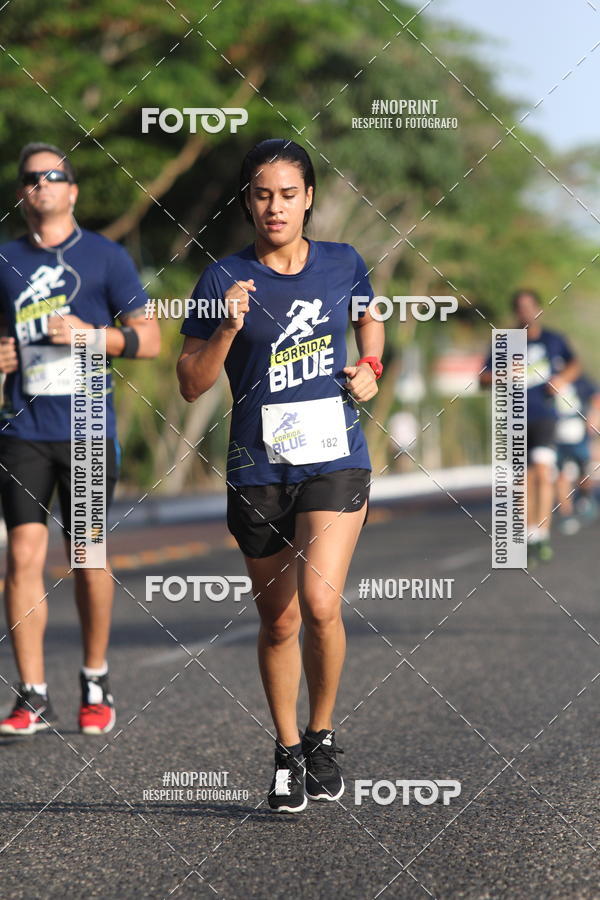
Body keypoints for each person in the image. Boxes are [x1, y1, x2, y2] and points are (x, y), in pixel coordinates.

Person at [177, 138, 384, 812]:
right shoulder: (220, 279)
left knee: (322, 604)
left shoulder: (342, 264)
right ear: (247, 201)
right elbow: (189, 383)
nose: (275, 207)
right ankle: (287, 750)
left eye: (288, 194)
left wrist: (369, 370)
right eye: (262, 194)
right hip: (257, 465)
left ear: (308, 198)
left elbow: (369, 320)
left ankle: (322, 734)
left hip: (334, 456)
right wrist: (228, 330)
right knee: (279, 622)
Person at [0, 143, 160, 735]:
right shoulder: (3, 258)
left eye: (55, 175)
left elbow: (150, 340)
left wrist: (93, 336)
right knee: (22, 556)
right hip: (22, 430)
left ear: (72, 190)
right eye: (31, 177)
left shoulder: (106, 258)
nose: (42, 184)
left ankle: (95, 678)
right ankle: (32, 694)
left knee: (87, 556)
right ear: (22, 193)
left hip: (89, 428)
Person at [481, 290, 580, 563]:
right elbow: (482, 378)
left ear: (538, 310)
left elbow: (575, 364)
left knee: (543, 470)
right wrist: (502, 373)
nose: (526, 312)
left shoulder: (553, 339)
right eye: (520, 307)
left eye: (530, 306)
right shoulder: (505, 341)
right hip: (514, 417)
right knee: (523, 479)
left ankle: (543, 533)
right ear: (516, 312)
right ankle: (528, 532)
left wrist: (561, 380)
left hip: (545, 415)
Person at [555, 374, 600, 534]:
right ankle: (566, 513)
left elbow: (595, 398)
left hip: (578, 431)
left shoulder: (578, 380)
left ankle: (585, 499)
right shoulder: (547, 381)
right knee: (561, 474)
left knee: (583, 470)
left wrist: (593, 417)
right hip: (555, 434)